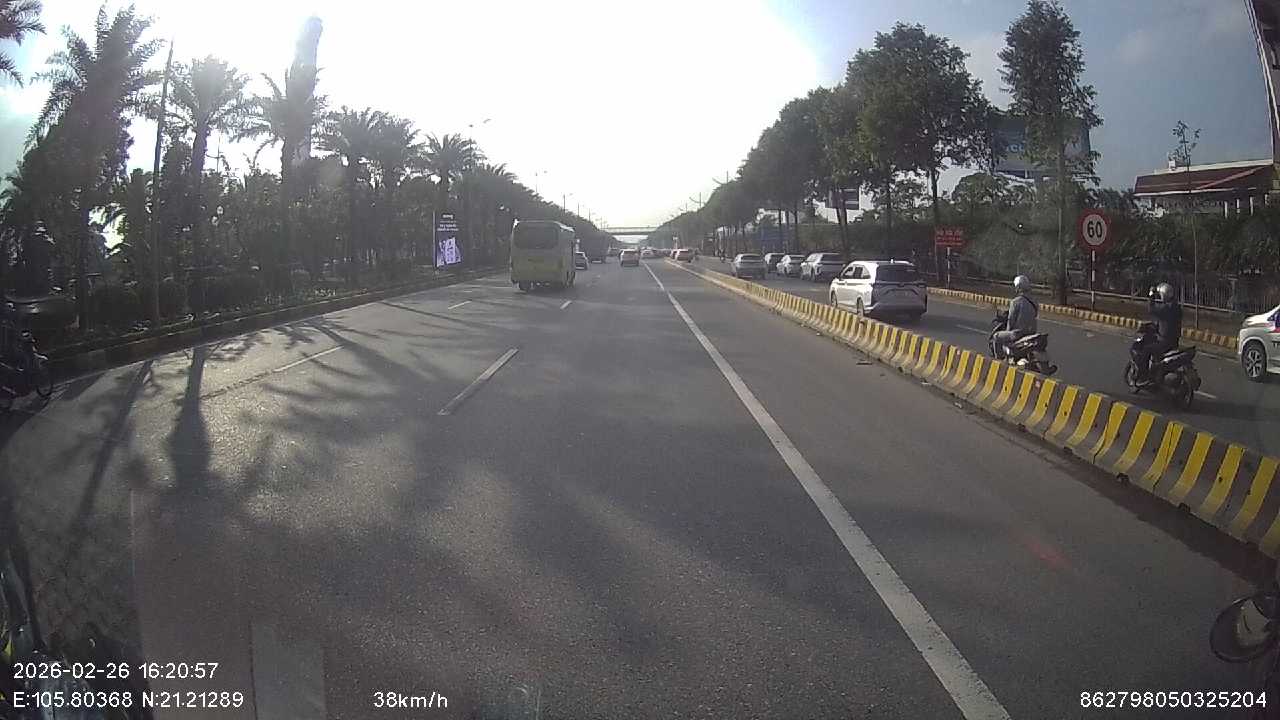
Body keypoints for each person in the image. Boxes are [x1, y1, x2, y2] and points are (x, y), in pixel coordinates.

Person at [1134, 282, 1182, 382]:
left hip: (1164, 342)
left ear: (1164, 295)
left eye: (1160, 295)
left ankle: (1143, 376)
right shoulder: (1176, 307)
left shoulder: (1165, 309)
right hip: (1174, 341)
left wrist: (1151, 295)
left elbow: (1151, 309)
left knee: (1146, 349)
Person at [993, 275, 1038, 359]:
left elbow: (1011, 320)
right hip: (1032, 333)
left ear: (1018, 287)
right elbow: (1035, 315)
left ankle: (999, 360)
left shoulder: (1015, 302)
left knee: (996, 336)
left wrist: (1008, 331)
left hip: (1018, 334)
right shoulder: (1034, 301)